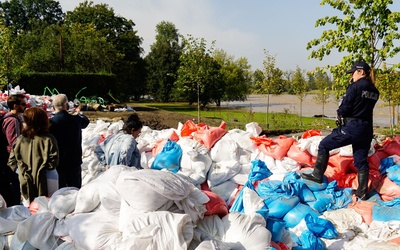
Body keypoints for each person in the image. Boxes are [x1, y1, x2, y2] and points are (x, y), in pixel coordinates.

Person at [301, 61, 380, 200]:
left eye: (353, 73)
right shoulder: (374, 91)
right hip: (366, 129)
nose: (352, 76)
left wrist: (340, 112)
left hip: (352, 127)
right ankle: (362, 192)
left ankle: (317, 175)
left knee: (324, 145)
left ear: (361, 72)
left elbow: (345, 107)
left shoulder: (355, 87)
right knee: (361, 161)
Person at [8, 107, 59, 206]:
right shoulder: (49, 138)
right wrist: (40, 170)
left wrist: (21, 171)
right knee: (49, 207)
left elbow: (11, 161)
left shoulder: (20, 139)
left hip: (25, 179)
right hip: (48, 177)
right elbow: (54, 160)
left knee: (29, 208)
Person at [49, 94, 89, 189]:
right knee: (75, 190)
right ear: (67, 106)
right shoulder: (76, 120)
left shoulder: (51, 123)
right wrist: (78, 112)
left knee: (60, 192)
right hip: (74, 162)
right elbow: (86, 121)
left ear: (53, 107)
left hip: (58, 163)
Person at [0, 94, 26, 206]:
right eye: (23, 104)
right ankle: (14, 207)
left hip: (7, 159)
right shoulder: (12, 120)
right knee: (14, 184)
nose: (25, 106)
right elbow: (14, 142)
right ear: (15, 106)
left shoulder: (12, 118)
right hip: (10, 160)